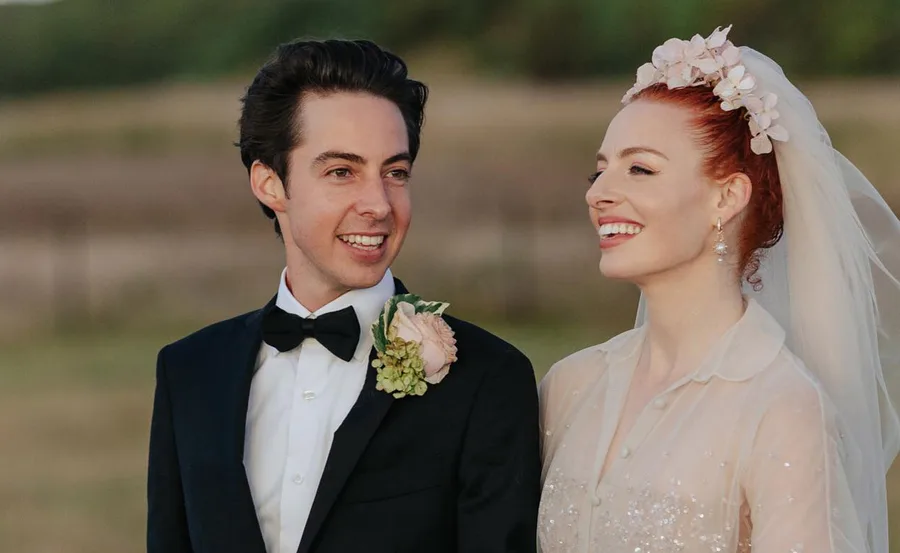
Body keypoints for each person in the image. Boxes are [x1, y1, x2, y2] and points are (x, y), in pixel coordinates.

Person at [147, 39, 541, 553]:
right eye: (342, 172)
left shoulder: (488, 378)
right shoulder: (189, 372)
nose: (379, 205)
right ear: (270, 184)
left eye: (395, 173)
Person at [537, 25, 900, 553]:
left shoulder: (782, 410)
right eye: (599, 172)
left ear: (726, 198)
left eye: (639, 169)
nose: (600, 194)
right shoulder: (569, 385)